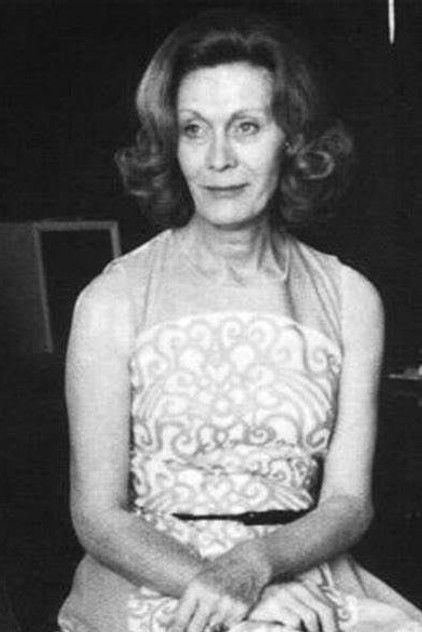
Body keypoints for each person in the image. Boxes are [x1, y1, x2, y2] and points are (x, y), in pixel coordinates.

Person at [58, 9, 422, 632]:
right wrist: (221, 586)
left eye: (246, 127)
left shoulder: (350, 298)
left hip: (297, 570)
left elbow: (348, 503)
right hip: (154, 577)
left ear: (293, 139)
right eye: (194, 130)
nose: (218, 158)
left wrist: (255, 566)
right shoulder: (111, 299)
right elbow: (97, 515)